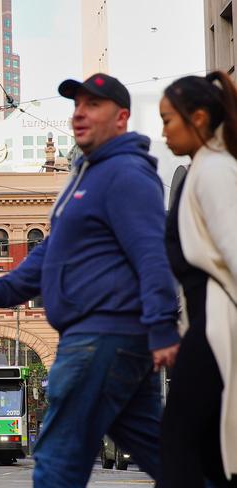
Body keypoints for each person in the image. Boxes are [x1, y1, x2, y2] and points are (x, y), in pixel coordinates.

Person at [0, 73, 180, 488]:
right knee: (164, 454)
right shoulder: (87, 176)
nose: (79, 114)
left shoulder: (125, 175)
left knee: (58, 457)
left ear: (121, 118)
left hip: (102, 336)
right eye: (76, 105)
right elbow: (50, 253)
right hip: (112, 338)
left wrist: (162, 325)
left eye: (92, 105)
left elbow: (152, 252)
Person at [158, 72, 237, 488]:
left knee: (181, 446)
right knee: (206, 450)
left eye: (169, 120)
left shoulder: (214, 173)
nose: (163, 132)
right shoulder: (199, 172)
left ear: (200, 118)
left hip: (218, 329)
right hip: (205, 328)